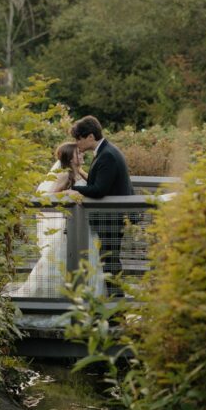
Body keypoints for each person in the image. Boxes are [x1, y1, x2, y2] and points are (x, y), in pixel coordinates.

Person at [13, 142, 105, 298]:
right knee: (59, 262)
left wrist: (81, 172)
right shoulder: (64, 175)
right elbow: (48, 197)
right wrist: (67, 193)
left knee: (89, 260)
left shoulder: (79, 173)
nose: (82, 155)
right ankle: (56, 299)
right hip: (69, 226)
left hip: (85, 225)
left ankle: (85, 299)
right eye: (78, 153)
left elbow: (94, 187)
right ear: (70, 158)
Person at [71, 115, 133, 294]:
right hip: (111, 216)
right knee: (110, 261)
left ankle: (117, 310)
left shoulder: (107, 155)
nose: (77, 143)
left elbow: (99, 189)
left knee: (111, 262)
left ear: (90, 137)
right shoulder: (107, 151)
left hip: (111, 218)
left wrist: (73, 189)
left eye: (79, 139)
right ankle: (116, 307)